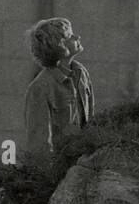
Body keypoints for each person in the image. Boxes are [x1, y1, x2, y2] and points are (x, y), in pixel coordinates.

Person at [23, 17, 94, 155]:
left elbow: (91, 120)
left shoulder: (81, 73)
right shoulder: (40, 88)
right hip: (58, 168)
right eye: (70, 36)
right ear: (59, 45)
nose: (77, 37)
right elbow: (39, 143)